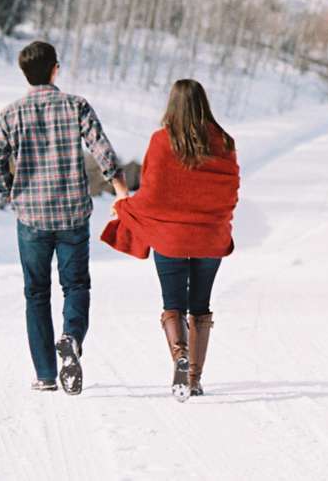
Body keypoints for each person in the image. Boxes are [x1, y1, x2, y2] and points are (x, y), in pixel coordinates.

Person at [0, 40, 127, 395]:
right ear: (55, 69)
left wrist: (11, 197)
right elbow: (102, 149)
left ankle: (46, 374)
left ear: (25, 73)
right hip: (72, 215)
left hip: (31, 218)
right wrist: (120, 189)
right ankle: (71, 339)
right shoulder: (75, 105)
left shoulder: (10, 114)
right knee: (76, 285)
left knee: (36, 293)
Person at [100, 79, 240, 400]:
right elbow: (230, 192)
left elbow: (151, 193)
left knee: (172, 303)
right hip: (209, 237)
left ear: (172, 105)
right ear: (204, 104)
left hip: (169, 237)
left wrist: (125, 207)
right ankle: (194, 378)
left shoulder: (161, 141)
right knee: (200, 305)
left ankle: (179, 355)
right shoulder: (224, 142)